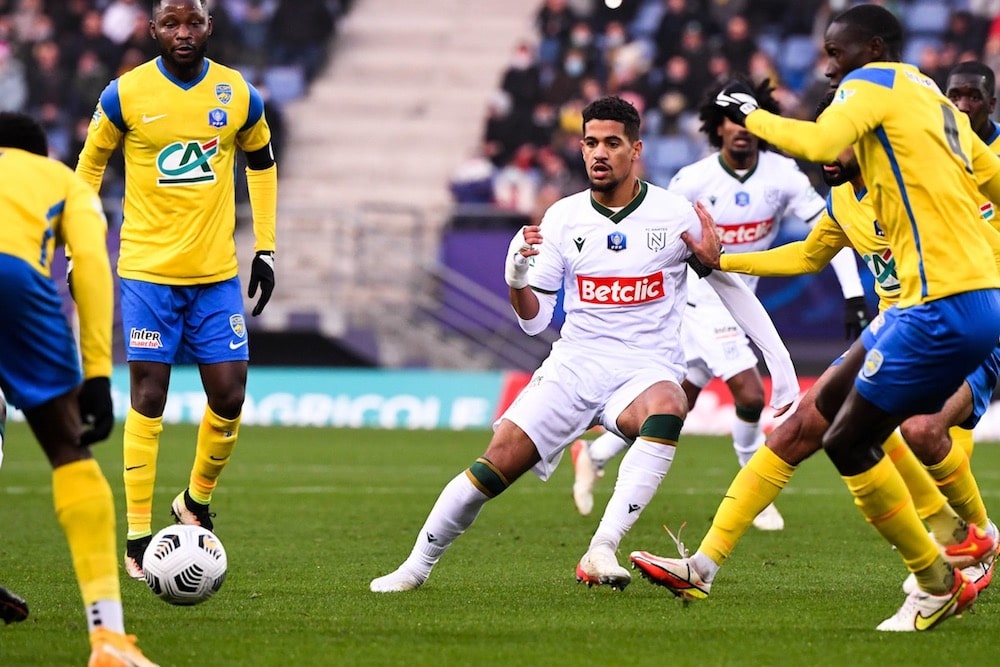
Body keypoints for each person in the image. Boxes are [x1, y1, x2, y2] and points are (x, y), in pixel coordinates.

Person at [369, 95, 799, 593]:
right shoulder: (562, 218)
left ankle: (602, 548)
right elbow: (534, 322)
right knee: (492, 469)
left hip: (645, 368)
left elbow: (733, 292)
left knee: (670, 403)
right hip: (574, 366)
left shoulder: (673, 214)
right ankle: (416, 566)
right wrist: (515, 277)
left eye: (612, 143)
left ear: (635, 149)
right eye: (591, 142)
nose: (599, 153)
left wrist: (780, 365)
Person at [663, 3, 1000, 631]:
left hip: (943, 304)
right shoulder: (923, 115)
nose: (830, 70)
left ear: (869, 48)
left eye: (836, 54)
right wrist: (722, 260)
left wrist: (750, 113)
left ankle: (944, 569)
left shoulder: (875, 85)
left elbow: (818, 137)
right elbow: (810, 252)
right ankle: (703, 565)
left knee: (859, 438)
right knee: (807, 423)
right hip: (929, 307)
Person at [571, 78, 869, 527]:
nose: (740, 129)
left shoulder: (783, 176)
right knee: (750, 392)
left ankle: (593, 455)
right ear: (716, 127)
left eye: (747, 118)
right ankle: (755, 486)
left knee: (683, 396)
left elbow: (835, 230)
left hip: (735, 299)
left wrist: (852, 292)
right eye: (730, 120)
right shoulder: (693, 179)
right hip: (695, 300)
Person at [75, 0, 278, 580]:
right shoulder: (124, 95)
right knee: (149, 393)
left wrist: (265, 248)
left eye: (194, 23)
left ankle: (194, 501)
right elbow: (88, 170)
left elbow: (261, 163)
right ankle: (139, 534)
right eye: (172, 23)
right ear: (153, 29)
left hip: (215, 273)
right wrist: (80, 245)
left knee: (230, 394)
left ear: (210, 27)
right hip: (146, 270)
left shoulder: (237, 94)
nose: (183, 33)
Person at [0, 112, 156, 664]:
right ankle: (108, 640)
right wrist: (96, 373)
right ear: (39, 153)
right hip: (12, 279)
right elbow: (90, 265)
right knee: (69, 449)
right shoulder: (60, 179)